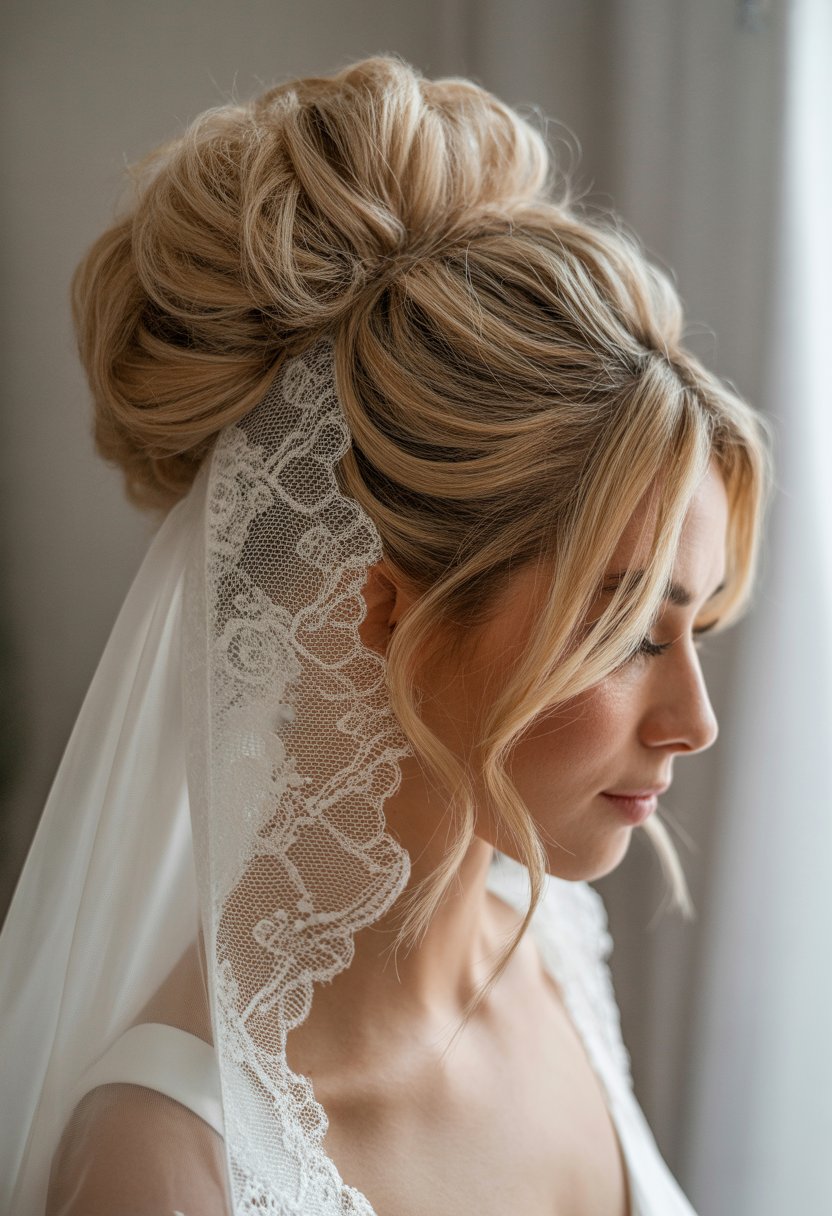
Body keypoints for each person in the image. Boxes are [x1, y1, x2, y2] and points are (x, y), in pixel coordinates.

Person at [0, 54, 771, 1216]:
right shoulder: (168, 1165)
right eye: (627, 631)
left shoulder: (550, 945)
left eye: (694, 623)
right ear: (385, 608)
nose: (695, 723)